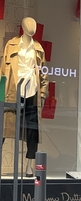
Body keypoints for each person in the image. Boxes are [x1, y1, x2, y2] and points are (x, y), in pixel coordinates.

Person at [1, 17, 48, 177]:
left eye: (34, 25)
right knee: (4, 128)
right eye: (29, 25)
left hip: (32, 91)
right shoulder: (12, 44)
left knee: (32, 132)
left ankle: (29, 166)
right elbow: (3, 71)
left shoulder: (38, 48)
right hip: (13, 91)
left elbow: (43, 73)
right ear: (23, 26)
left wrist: (42, 93)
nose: (32, 27)